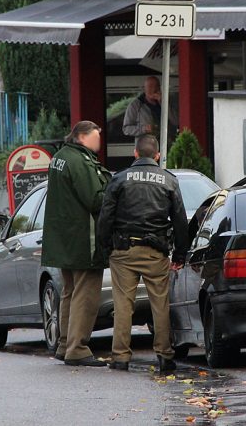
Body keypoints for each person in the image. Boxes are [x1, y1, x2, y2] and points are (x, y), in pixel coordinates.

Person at [98, 134, 189, 374]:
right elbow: (180, 220)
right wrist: (180, 255)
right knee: (160, 304)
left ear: (135, 153)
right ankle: (165, 356)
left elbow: (105, 217)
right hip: (156, 252)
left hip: (124, 251)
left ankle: (120, 357)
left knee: (123, 305)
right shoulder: (169, 180)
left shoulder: (119, 179)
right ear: (157, 156)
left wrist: (106, 248)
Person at [41, 120, 111, 367]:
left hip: (64, 240)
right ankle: (78, 348)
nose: (99, 141)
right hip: (84, 239)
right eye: (96, 136)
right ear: (82, 137)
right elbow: (94, 199)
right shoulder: (80, 161)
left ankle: (64, 344)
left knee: (69, 292)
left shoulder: (60, 157)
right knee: (86, 294)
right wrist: (114, 190)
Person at [122, 76, 178, 141]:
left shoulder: (167, 101)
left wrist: (163, 102)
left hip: (166, 144)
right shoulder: (135, 105)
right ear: (145, 89)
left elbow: (176, 121)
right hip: (146, 147)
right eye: (150, 86)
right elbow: (126, 129)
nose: (153, 89)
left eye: (156, 86)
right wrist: (144, 129)